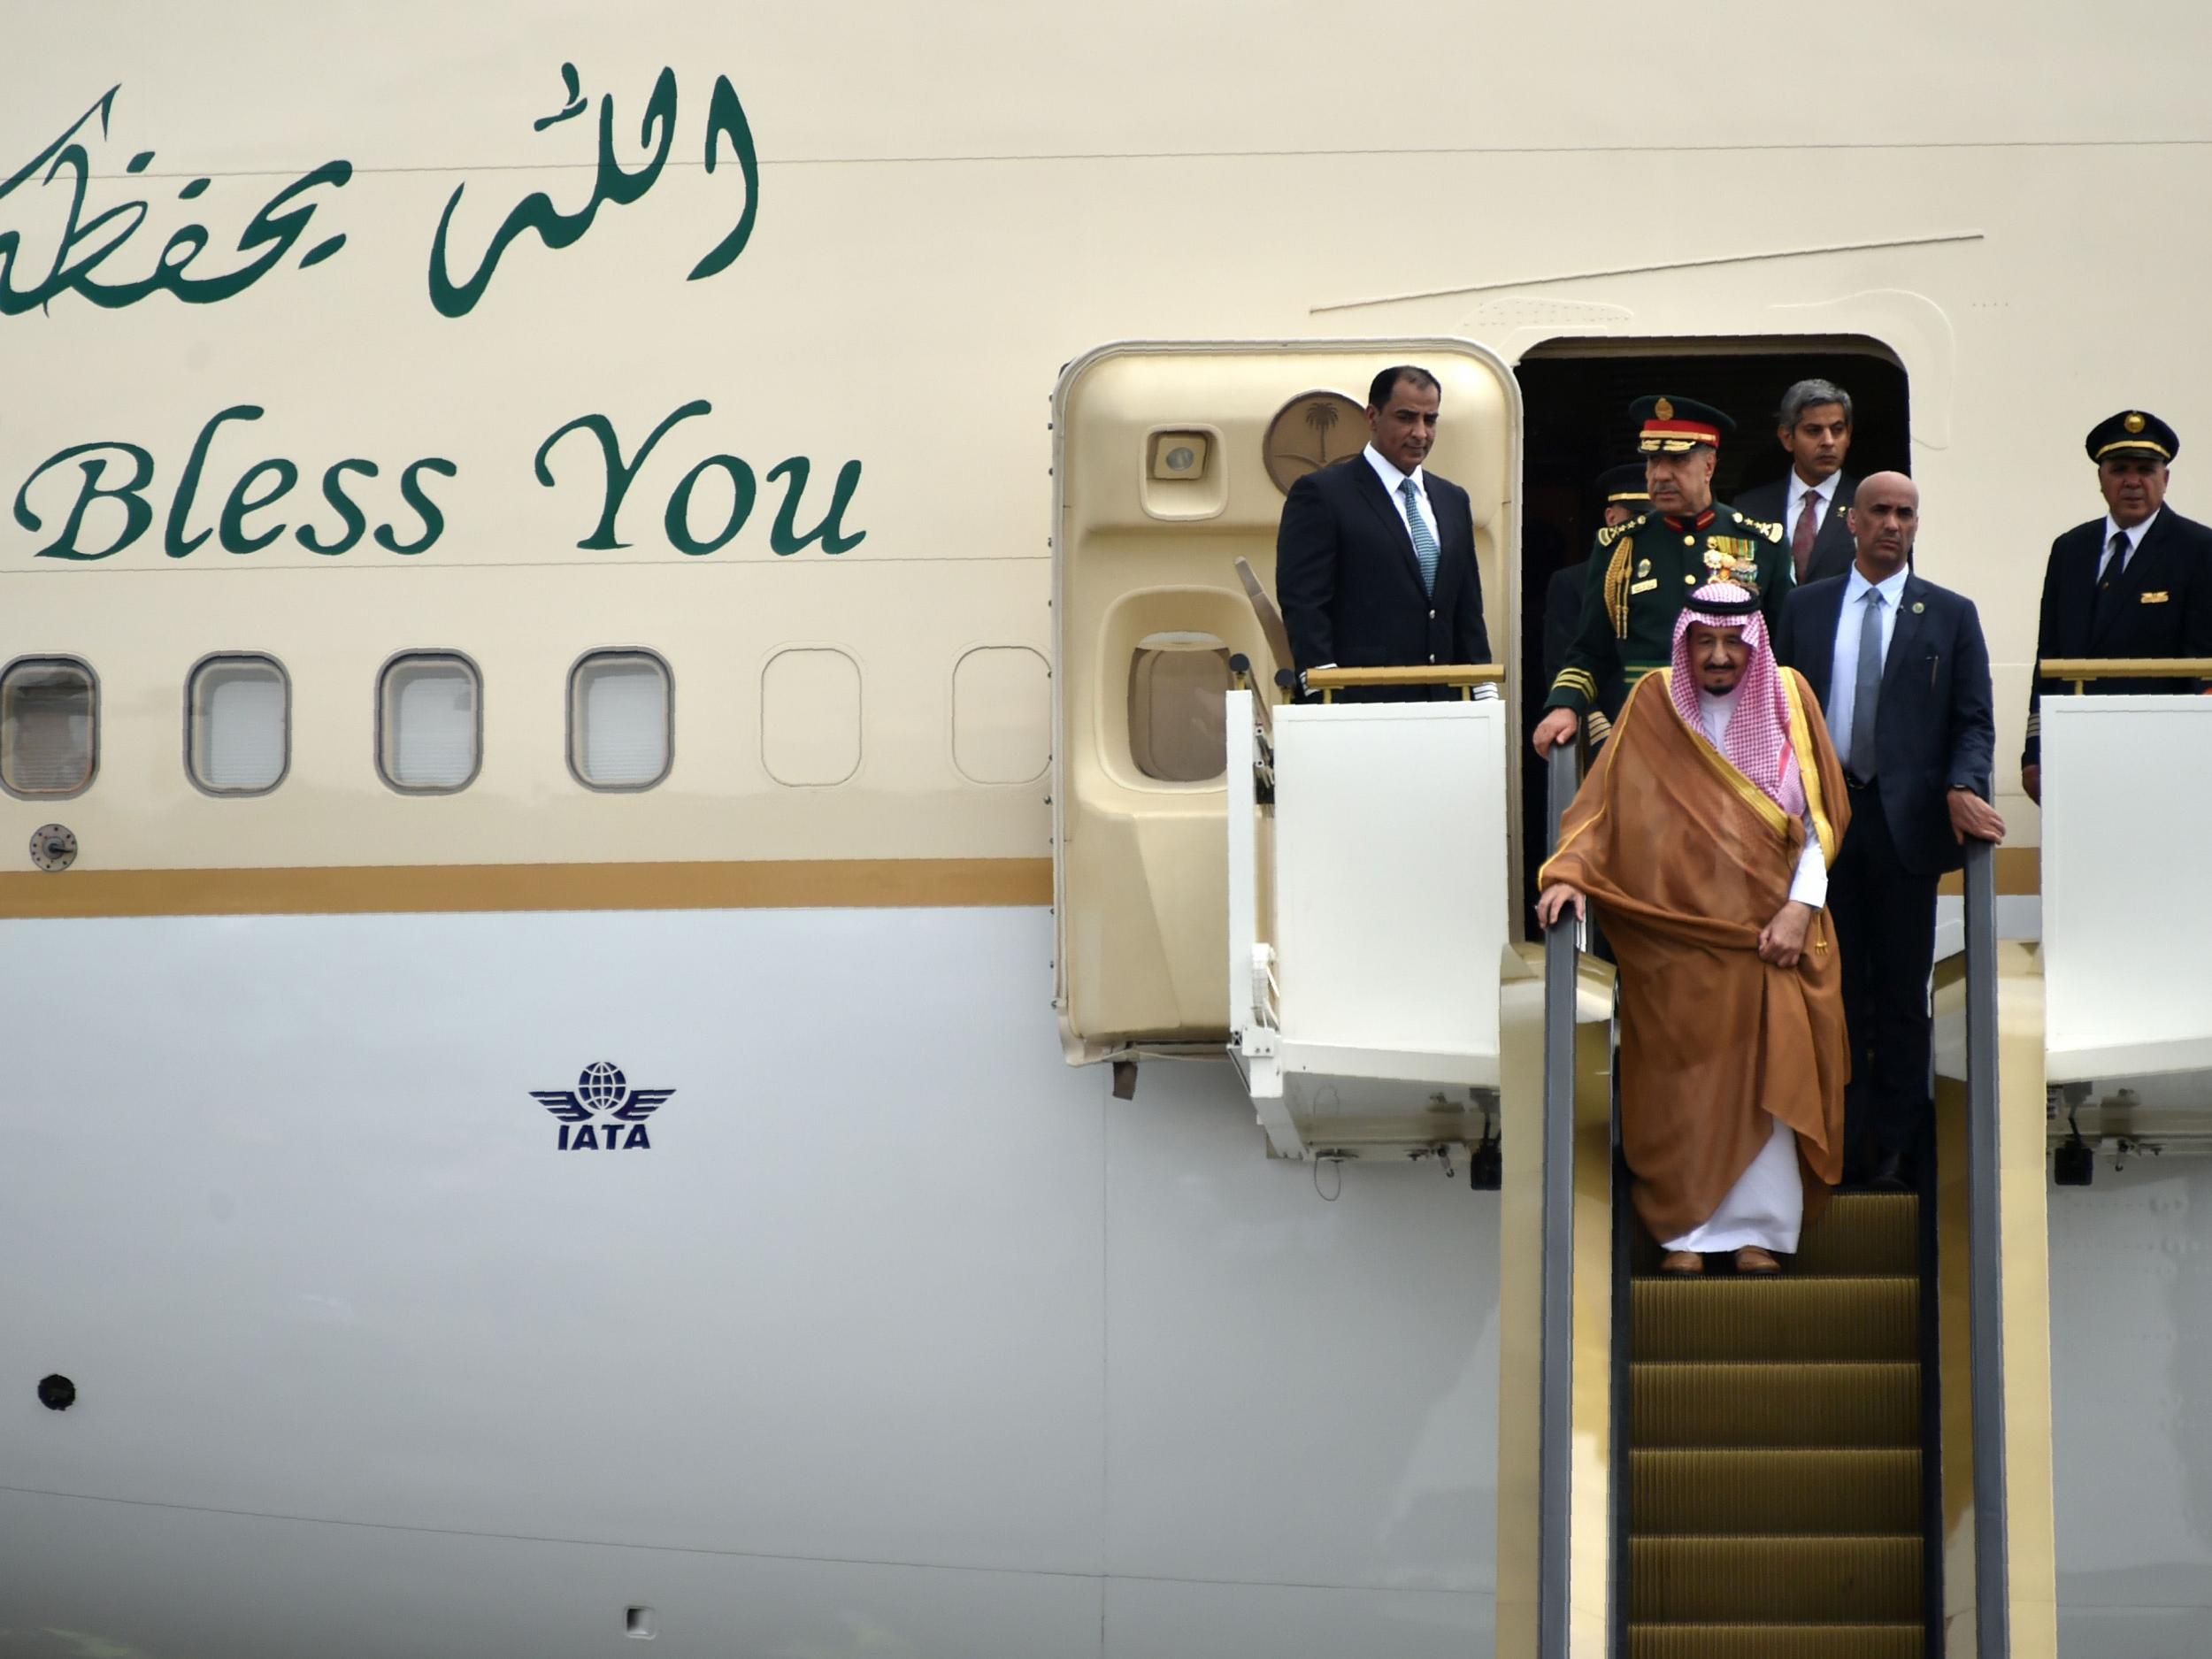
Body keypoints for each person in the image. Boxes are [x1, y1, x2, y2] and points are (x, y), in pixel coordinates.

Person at [1536, 577, 1848, 1274]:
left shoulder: (1789, 697)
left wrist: (1800, 910)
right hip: (1675, 940)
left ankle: (1758, 1233)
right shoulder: (1653, 700)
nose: (1716, 657)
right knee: (1680, 1084)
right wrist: (1566, 872)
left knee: (1771, 1078)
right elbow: (1602, 807)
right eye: (1703, 641)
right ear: (1684, 641)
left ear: (1754, 644)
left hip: (1772, 934)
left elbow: (1819, 826)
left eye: (1732, 644)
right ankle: (1686, 1232)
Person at [1776, 472, 2005, 1188]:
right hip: (1824, 824)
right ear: (1851, 519)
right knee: (1830, 992)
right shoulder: (1804, 609)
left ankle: (1898, 1147)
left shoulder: (1950, 614)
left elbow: (1973, 721)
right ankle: (1835, 1141)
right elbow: (1776, 714)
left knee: (1902, 996)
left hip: (1906, 827)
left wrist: (1964, 785)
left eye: (1906, 513)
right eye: (1879, 510)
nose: (1893, 524)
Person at [1533, 396, 1791, 756]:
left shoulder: (1761, 543)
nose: (1661, 474)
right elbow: (1590, 650)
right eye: (1654, 460)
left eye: (1678, 460)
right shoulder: (1619, 545)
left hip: (1736, 735)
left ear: (1709, 466)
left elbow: (1785, 649)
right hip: (1644, 732)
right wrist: (1565, 704)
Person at [2022, 410, 2212, 802]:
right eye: (2119, 468)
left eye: (2145, 469)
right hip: (2079, 751)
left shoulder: (2198, 550)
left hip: (2166, 753)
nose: (2132, 481)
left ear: (2166, 478)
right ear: (2101, 478)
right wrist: (2034, 753)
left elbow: (2203, 666)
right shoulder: (2070, 549)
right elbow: (2049, 657)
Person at [1276, 365, 1492, 702]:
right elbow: (1304, 603)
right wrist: (1323, 688)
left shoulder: (1452, 499)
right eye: (1406, 417)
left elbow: (1466, 605)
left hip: (1442, 707)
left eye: (1430, 420)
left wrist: (1481, 685)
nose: (1420, 433)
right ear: (1373, 417)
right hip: (1359, 705)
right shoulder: (1323, 494)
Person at [1542, 463, 1647, 743]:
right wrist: (1598, 729)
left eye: (1653, 516)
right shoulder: (1574, 582)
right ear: (1611, 518)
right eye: (1636, 516)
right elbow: (1562, 663)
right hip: (1607, 730)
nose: (1644, 525)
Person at [1734, 379, 1860, 586]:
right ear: (1787, 437)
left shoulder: (1869, 504)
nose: (1828, 441)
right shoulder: (1749, 509)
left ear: (1848, 435)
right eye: (1814, 430)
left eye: (1837, 430)